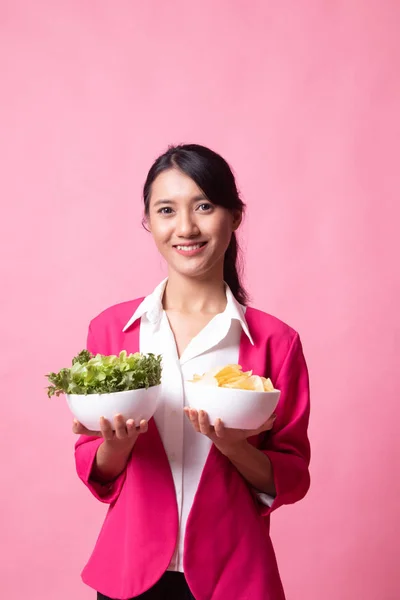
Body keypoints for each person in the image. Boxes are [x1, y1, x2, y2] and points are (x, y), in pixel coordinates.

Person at [73, 144, 311, 600]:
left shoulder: (277, 343)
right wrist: (116, 447)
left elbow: (292, 475)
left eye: (204, 206)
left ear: (235, 216)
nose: (186, 227)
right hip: (130, 575)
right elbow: (93, 462)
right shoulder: (111, 331)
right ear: (149, 222)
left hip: (235, 577)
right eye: (167, 210)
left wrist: (234, 447)